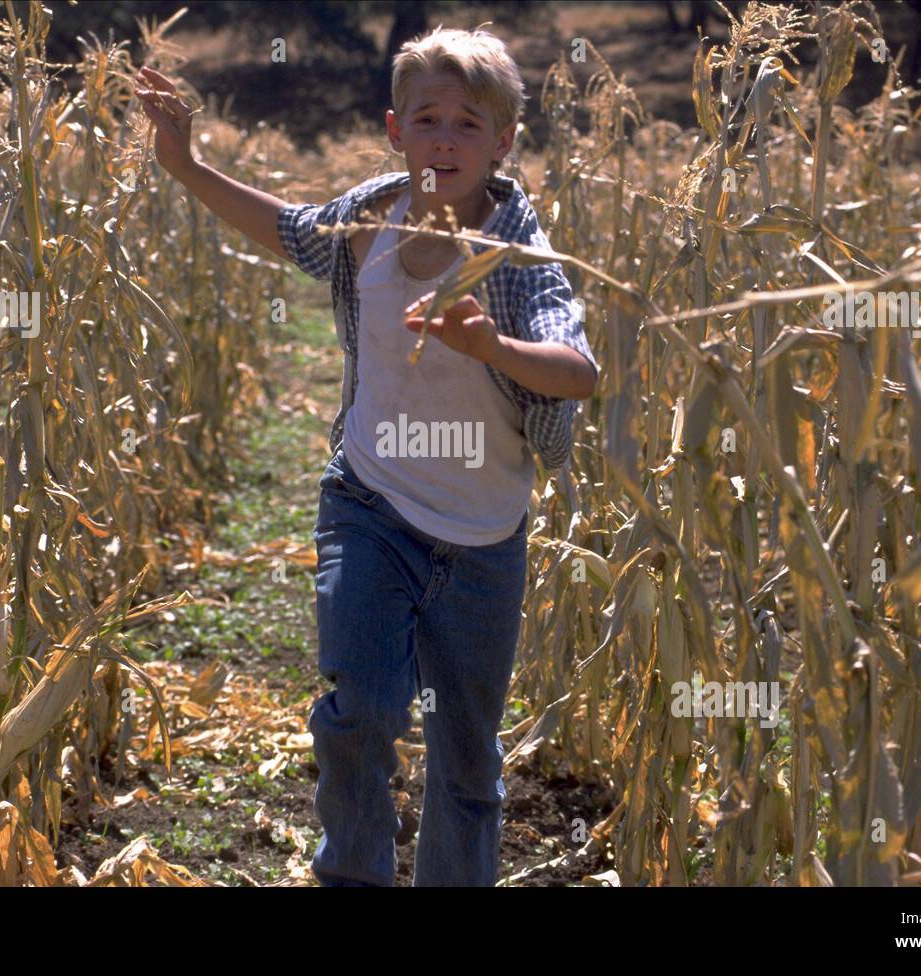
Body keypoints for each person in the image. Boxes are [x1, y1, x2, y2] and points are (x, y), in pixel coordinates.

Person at [139, 23, 598, 886]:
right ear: (397, 131)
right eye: (428, 119)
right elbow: (288, 230)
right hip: (369, 503)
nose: (445, 139)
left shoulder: (520, 255)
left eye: (470, 123)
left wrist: (490, 344)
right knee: (360, 714)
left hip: (483, 537)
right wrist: (184, 165)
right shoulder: (369, 220)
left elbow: (578, 371)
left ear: (503, 141)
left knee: (468, 760)